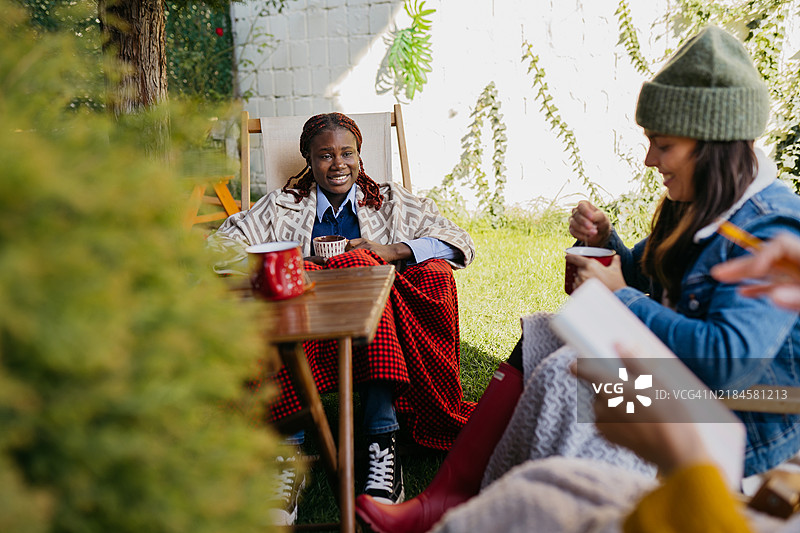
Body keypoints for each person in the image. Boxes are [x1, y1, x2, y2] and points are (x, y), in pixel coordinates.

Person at [356, 26, 800, 533]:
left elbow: (728, 364)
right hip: (692, 383)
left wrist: (622, 299)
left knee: (572, 377)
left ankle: (524, 510)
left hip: (741, 413)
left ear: (713, 147)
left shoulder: (771, 228)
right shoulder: (701, 201)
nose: (649, 159)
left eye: (664, 145)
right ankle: (448, 497)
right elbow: (656, 282)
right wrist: (611, 245)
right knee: (548, 333)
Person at [209, 112, 481, 523]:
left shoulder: (391, 200)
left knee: (373, 269)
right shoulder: (283, 206)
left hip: (377, 321)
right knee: (279, 297)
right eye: (324, 155)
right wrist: (292, 260)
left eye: (347, 153)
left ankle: (380, 441)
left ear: (359, 155)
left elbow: (458, 241)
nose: (338, 164)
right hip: (309, 316)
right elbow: (219, 245)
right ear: (308, 159)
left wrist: (390, 252)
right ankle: (291, 450)